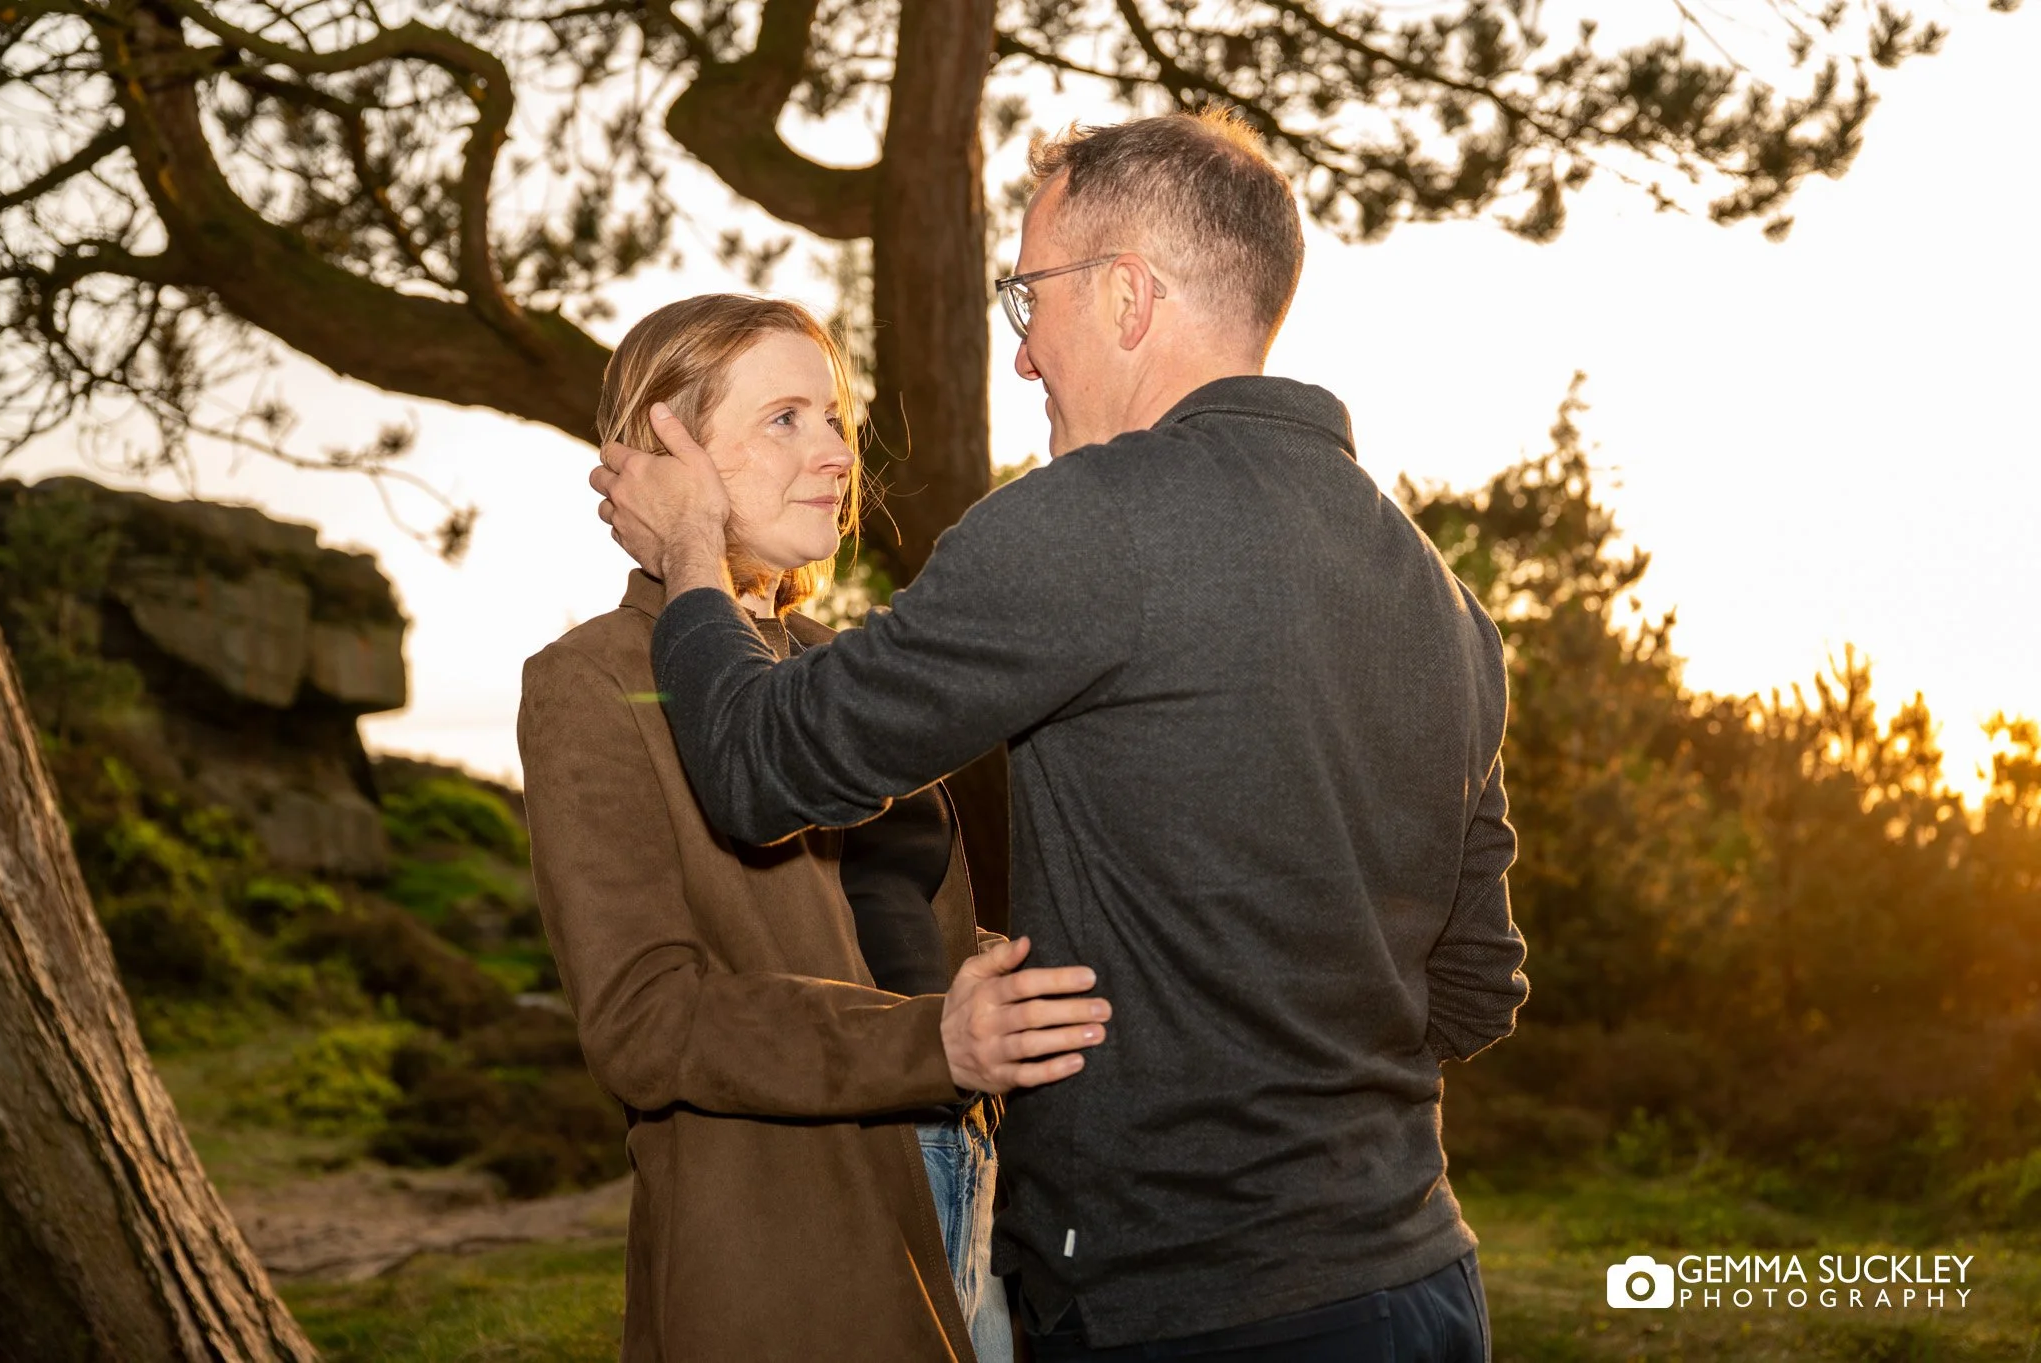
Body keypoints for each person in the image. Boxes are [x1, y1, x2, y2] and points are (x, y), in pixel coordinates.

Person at [591, 111, 1530, 1362]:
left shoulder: (1088, 522)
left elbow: (761, 767)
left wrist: (690, 548)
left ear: (1128, 297)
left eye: (1026, 298)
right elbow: (1472, 989)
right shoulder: (1445, 604)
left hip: (1185, 1309)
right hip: (1417, 1285)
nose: (1023, 356)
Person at [519, 294, 1109, 1362]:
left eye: (833, 416)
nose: (836, 453)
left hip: (973, 1196)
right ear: (668, 452)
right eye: (783, 418)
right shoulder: (590, 681)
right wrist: (927, 1040)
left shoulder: (840, 666)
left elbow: (883, 930)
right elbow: (645, 1021)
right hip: (791, 1244)